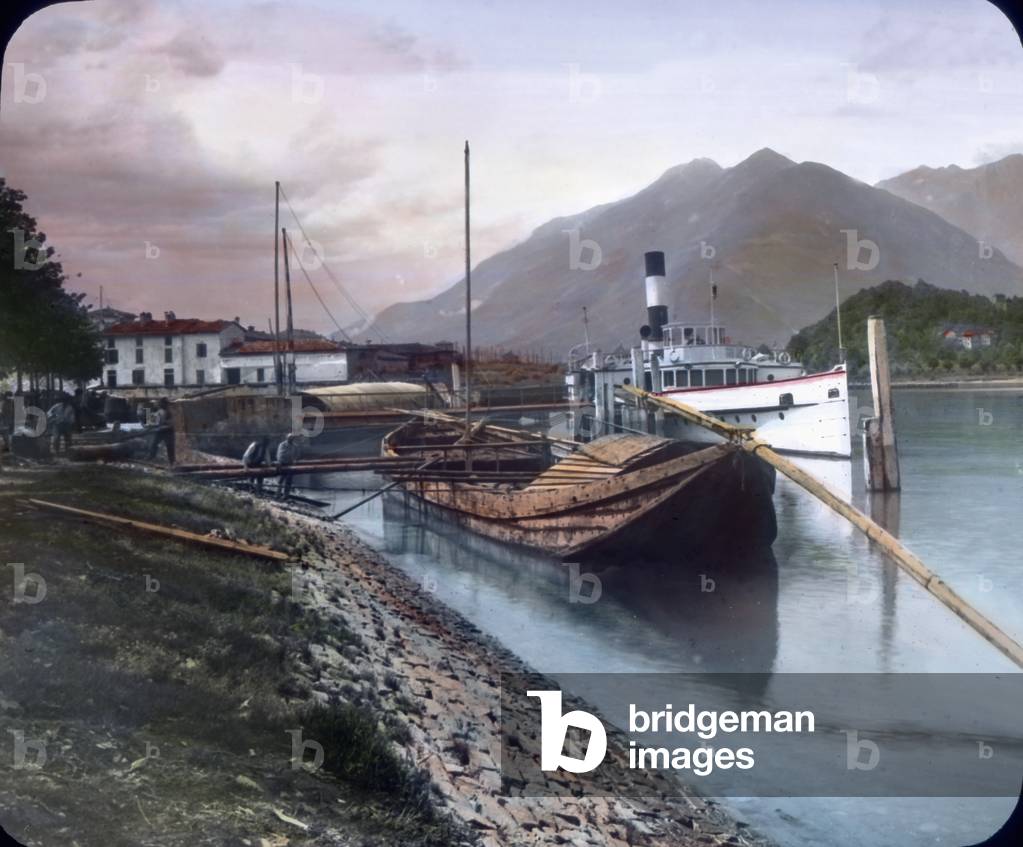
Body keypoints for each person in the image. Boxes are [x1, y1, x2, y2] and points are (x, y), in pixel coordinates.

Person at [147, 398, 175, 465]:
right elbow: (151, 422)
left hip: (168, 431)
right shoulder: (161, 411)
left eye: (157, 402)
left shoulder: (168, 411)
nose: (156, 404)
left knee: (169, 446)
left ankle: (172, 461)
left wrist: (165, 423)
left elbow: (172, 423)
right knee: (154, 444)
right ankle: (151, 457)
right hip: (161, 430)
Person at [275, 433, 300, 498]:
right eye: (289, 438)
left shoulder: (295, 446)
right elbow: (280, 455)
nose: (291, 439)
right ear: (287, 438)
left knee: (289, 481)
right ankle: (277, 494)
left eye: (292, 438)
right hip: (282, 464)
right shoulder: (282, 445)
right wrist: (280, 462)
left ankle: (286, 495)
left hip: (290, 465)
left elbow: (297, 455)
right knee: (280, 480)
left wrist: (295, 460)